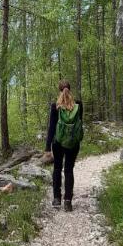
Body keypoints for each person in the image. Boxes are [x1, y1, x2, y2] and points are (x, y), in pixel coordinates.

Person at [44, 79, 84, 211]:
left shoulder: (55, 106)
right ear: (69, 89)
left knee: (57, 169)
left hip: (58, 142)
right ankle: (68, 201)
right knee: (68, 170)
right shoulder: (78, 105)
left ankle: (56, 199)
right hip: (73, 143)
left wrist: (47, 147)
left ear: (59, 90)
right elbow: (79, 124)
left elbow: (51, 127)